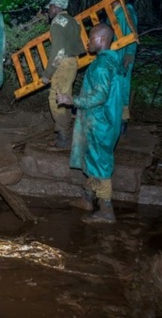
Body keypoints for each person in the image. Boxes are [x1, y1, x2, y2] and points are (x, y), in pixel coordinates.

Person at [56, 23, 124, 223]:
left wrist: (72, 100)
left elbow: (99, 96)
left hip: (99, 121)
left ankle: (106, 210)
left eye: (92, 37)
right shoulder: (114, 61)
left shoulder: (101, 65)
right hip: (109, 119)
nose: (88, 41)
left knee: (100, 164)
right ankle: (87, 199)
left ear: (102, 39)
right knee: (94, 160)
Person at [40, 0, 85, 149]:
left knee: (55, 99)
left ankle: (63, 137)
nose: (49, 11)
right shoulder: (73, 21)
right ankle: (64, 133)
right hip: (73, 62)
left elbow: (58, 51)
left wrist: (48, 73)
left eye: (50, 8)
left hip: (63, 64)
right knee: (65, 97)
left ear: (56, 7)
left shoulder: (58, 23)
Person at [102, 0, 138, 134]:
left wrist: (129, 55)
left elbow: (132, 35)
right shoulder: (112, 14)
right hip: (112, 57)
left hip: (122, 57)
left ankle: (122, 123)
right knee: (111, 89)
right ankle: (111, 121)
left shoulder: (126, 13)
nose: (104, 0)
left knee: (122, 88)